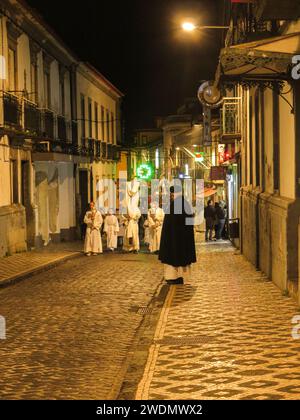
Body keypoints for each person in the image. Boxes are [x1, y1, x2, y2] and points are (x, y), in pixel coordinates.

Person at [159, 187, 196, 284]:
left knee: (172, 259)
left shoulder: (175, 205)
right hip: (182, 238)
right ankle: (179, 276)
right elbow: (189, 223)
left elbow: (170, 224)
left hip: (173, 239)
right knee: (181, 259)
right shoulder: (186, 204)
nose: (171, 196)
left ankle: (173, 277)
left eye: (172, 194)